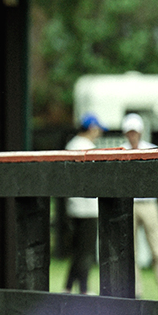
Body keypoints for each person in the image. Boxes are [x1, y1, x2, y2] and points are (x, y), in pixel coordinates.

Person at [122, 113, 158, 301]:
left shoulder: (151, 150)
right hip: (131, 204)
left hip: (149, 203)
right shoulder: (122, 151)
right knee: (131, 253)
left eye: (134, 132)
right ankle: (135, 292)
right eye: (129, 132)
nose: (132, 136)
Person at [64, 112, 105, 294]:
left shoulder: (70, 145)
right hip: (88, 208)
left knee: (78, 251)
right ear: (91, 128)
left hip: (73, 206)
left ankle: (68, 287)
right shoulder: (87, 147)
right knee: (86, 251)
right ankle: (84, 289)